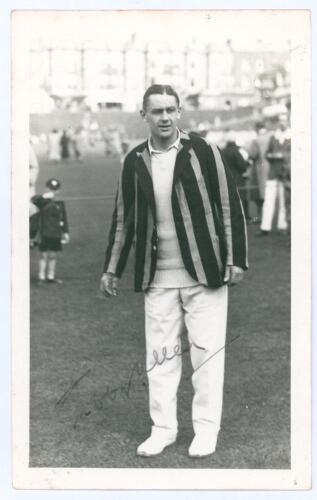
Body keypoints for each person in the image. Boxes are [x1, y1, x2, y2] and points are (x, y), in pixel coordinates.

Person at [100, 84, 248, 458]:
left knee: (206, 355)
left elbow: (229, 205)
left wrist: (236, 258)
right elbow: (124, 219)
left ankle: (206, 430)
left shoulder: (203, 150)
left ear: (179, 112)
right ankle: (163, 429)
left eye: (170, 110)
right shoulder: (134, 160)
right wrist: (112, 268)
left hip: (205, 273)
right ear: (144, 115)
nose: (164, 117)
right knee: (160, 357)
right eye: (156, 111)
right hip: (157, 277)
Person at [257, 115, 291, 236]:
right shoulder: (273, 137)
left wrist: (282, 156)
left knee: (283, 201)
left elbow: (293, 154)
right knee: (268, 200)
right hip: (273, 172)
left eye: (284, 120)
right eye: (280, 121)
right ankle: (265, 227)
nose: (282, 123)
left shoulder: (291, 137)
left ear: (288, 122)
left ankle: (282, 226)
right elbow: (267, 154)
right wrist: (273, 156)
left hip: (285, 172)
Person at [31, 178, 70, 284]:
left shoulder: (60, 203)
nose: (53, 191)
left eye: (55, 189)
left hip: (56, 233)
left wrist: (65, 232)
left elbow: (63, 218)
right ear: (46, 188)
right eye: (50, 189)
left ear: (58, 190)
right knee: (43, 255)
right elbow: (33, 199)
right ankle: (41, 277)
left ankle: (50, 276)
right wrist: (45, 196)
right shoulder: (42, 201)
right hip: (44, 232)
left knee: (53, 255)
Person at [221, 130, 251, 222]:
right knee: (241, 197)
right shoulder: (236, 151)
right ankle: (244, 217)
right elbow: (242, 165)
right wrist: (247, 164)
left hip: (226, 178)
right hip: (238, 178)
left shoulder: (222, 151)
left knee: (229, 199)